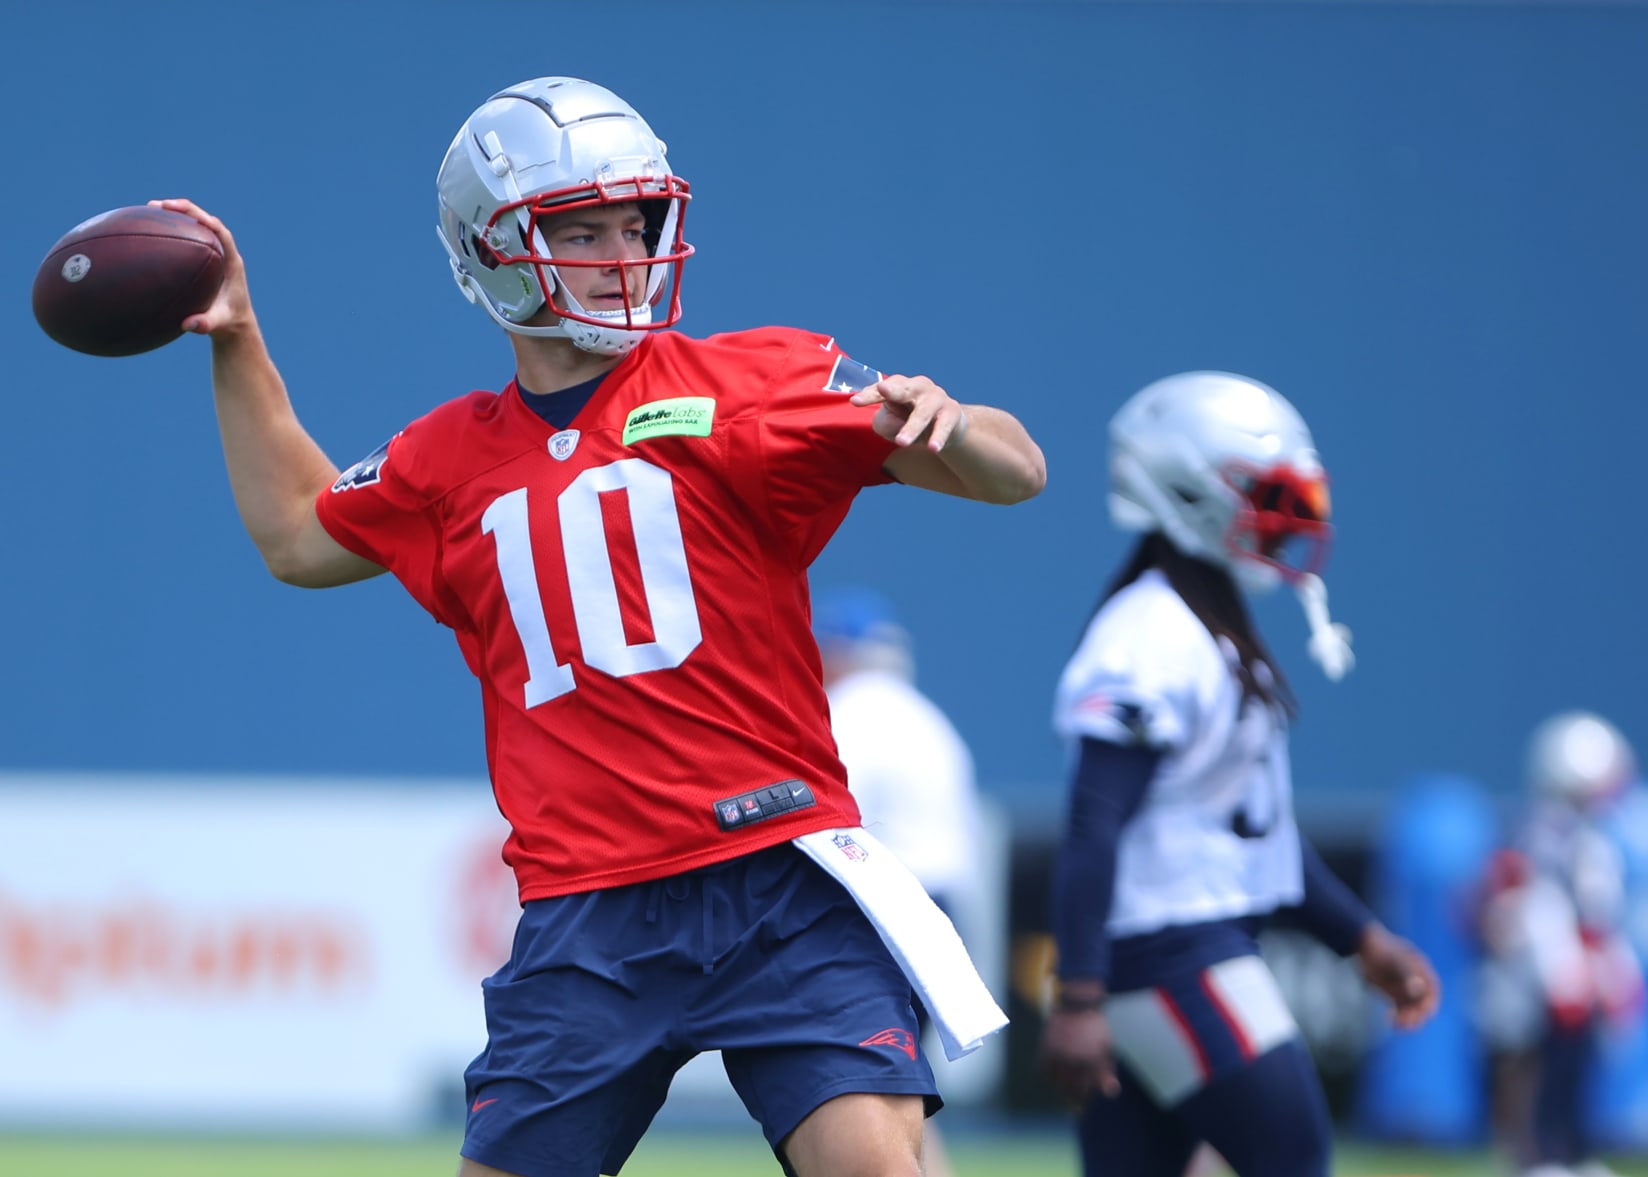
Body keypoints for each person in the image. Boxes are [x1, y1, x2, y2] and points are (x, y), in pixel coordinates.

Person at [150, 76, 1044, 1177]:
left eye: (635, 221)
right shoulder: (446, 459)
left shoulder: (750, 380)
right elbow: (295, 532)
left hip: (780, 874)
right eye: (580, 229)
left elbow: (1016, 473)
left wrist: (958, 423)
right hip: (589, 914)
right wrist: (236, 341)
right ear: (493, 251)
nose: (623, 249)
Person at [1038, 371, 1440, 1177]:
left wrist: (1361, 940)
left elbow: (1256, 829)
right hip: (1168, 955)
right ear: (1185, 486)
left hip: (1167, 952)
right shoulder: (1152, 630)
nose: (1282, 519)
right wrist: (1078, 993)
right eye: (1263, 493)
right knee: (1292, 1158)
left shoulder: (1204, 617)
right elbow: (1093, 821)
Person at [814, 585, 987, 1177]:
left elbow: (831, 819)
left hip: (886, 916)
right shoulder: (926, 717)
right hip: (939, 916)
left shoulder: (853, 712)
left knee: (866, 1095)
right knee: (900, 1095)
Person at [1480, 711, 1647, 1177]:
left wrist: (1612, 971)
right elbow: (1527, 911)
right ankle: (1538, 1154)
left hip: (1576, 976)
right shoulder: (1538, 835)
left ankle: (1572, 1151)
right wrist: (1560, 967)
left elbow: (1599, 915)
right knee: (1531, 1063)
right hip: (1535, 978)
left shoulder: (1596, 838)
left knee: (1583, 1063)